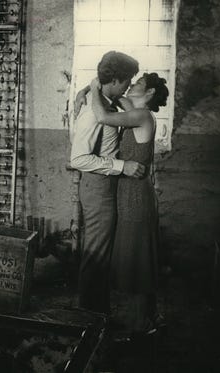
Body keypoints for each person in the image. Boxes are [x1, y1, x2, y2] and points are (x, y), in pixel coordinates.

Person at [87, 73, 169, 335]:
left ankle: (140, 325)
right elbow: (118, 96)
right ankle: (149, 318)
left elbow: (102, 116)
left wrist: (91, 87)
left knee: (137, 259)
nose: (131, 86)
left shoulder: (143, 116)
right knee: (139, 257)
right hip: (131, 192)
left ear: (149, 94)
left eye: (138, 85)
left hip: (136, 196)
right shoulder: (136, 110)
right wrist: (84, 93)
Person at [68, 51, 144, 314]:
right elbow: (78, 158)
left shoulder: (104, 102)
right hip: (98, 185)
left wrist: (91, 86)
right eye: (127, 81)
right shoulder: (93, 111)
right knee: (97, 255)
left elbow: (113, 92)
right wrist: (123, 166)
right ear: (116, 80)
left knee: (100, 252)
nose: (128, 87)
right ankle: (90, 318)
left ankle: (97, 314)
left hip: (103, 185)